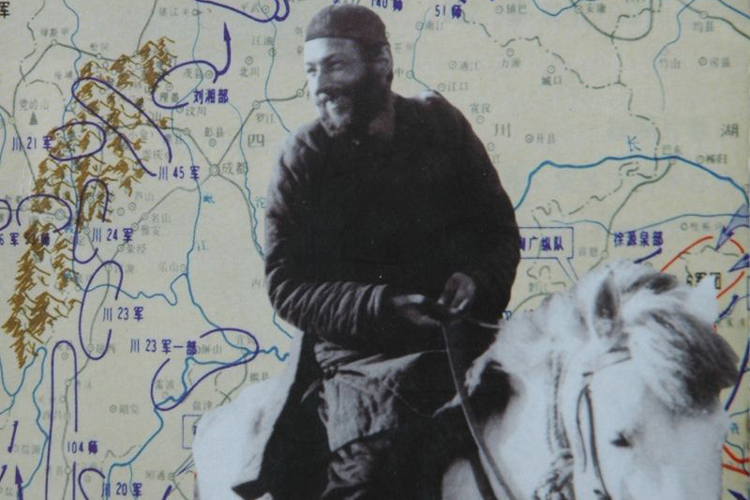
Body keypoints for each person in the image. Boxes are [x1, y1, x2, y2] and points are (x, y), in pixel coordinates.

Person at [238, 5, 520, 499]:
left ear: (382, 63)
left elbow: (497, 231)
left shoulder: (441, 127)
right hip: (362, 355)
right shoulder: (303, 159)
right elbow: (286, 286)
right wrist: (381, 306)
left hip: (462, 332)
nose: (320, 85)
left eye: (335, 65)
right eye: (311, 70)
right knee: (370, 474)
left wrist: (477, 279)